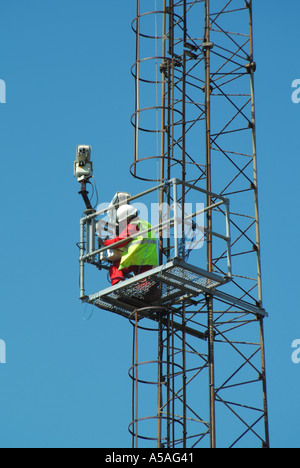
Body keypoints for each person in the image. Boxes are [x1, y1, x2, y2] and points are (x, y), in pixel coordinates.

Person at [102, 204, 159, 286]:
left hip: (136, 258)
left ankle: (119, 286)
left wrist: (105, 243)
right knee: (145, 284)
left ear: (127, 219)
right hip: (149, 260)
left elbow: (121, 240)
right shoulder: (146, 224)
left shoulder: (134, 225)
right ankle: (149, 293)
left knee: (115, 267)